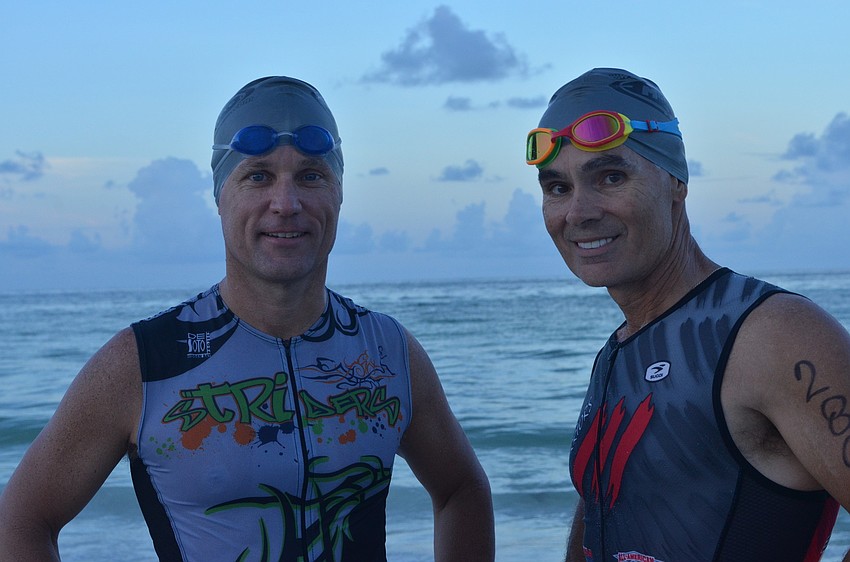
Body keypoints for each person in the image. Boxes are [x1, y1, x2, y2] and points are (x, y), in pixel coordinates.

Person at [0, 76, 495, 561]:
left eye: (311, 175)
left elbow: (461, 488)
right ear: (220, 196)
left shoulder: (387, 351)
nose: (286, 204)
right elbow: (21, 521)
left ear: (339, 193)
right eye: (257, 176)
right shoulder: (143, 364)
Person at [526, 67, 850, 562]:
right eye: (557, 188)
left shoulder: (773, 335)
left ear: (675, 182)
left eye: (610, 177)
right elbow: (604, 516)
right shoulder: (618, 350)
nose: (578, 212)